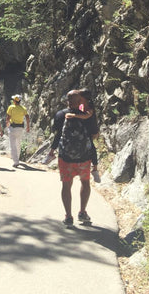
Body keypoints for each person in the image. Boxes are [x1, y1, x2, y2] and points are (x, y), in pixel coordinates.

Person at [48, 90, 94, 226]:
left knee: (66, 185)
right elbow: (94, 132)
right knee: (85, 182)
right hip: (84, 157)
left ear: (67, 101)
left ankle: (68, 216)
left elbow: (56, 132)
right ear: (80, 101)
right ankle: (82, 212)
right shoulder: (87, 115)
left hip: (65, 157)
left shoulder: (61, 114)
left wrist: (52, 151)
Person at [6, 94, 30, 167]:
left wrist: (7, 124)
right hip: (20, 128)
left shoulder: (11, 107)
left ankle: (16, 161)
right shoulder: (23, 108)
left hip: (12, 127)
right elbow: (27, 117)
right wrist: (28, 126)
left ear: (14, 101)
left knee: (12, 145)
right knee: (18, 143)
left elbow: (8, 117)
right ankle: (17, 158)